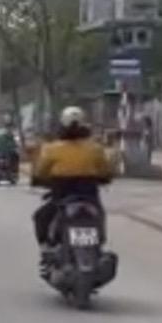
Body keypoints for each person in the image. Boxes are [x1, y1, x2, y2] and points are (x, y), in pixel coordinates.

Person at [30, 106, 114, 267]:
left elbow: (40, 172)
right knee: (99, 215)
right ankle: (98, 245)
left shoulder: (52, 149)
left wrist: (39, 179)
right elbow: (105, 172)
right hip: (89, 196)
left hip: (62, 196)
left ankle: (46, 249)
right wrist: (103, 178)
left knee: (40, 217)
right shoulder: (95, 149)